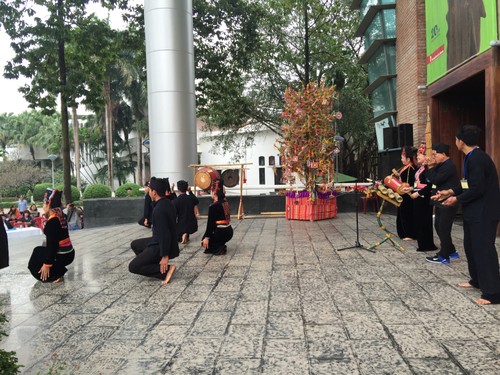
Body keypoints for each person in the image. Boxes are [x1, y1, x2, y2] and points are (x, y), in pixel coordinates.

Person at [436, 125, 500, 305]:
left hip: (485, 211)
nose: (455, 142)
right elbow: (467, 184)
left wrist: (455, 199)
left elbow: (477, 189)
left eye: (456, 139)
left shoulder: (477, 159)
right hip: (474, 211)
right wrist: (449, 191)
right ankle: (477, 280)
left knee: (483, 250)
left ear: (461, 141)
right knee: (471, 246)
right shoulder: (471, 157)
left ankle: (493, 293)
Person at [129, 177, 179, 285]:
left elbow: (164, 233)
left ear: (154, 192)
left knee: (133, 267)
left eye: (150, 190)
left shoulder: (159, 209)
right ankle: (155, 265)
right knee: (135, 244)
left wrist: (165, 256)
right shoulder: (167, 203)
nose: (149, 192)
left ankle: (165, 271)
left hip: (159, 244)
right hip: (159, 241)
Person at [425, 143, 462, 264]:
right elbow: (428, 178)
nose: (434, 157)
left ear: (444, 154)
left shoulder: (449, 166)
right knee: (439, 226)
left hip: (448, 201)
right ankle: (451, 250)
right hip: (440, 201)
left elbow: (436, 179)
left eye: (435, 155)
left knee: (443, 228)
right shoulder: (440, 165)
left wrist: (430, 167)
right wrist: (427, 166)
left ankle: (444, 256)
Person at [27, 189, 75, 283]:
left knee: (34, 263)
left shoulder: (52, 221)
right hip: (69, 253)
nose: (43, 205)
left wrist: (47, 264)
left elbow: (53, 245)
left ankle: (56, 274)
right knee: (38, 251)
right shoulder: (61, 216)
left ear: (49, 204)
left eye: (44, 203)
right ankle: (57, 269)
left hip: (63, 255)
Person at [402, 143, 438, 252]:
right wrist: (410, 189)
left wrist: (417, 193)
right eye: (417, 155)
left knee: (424, 221)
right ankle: (422, 244)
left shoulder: (428, 169)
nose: (417, 157)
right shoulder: (420, 168)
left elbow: (429, 185)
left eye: (420, 155)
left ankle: (427, 244)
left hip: (424, 197)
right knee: (418, 221)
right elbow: (417, 184)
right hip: (417, 197)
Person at [201, 185, 233, 255]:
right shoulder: (225, 202)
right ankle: (220, 244)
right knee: (207, 241)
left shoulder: (213, 206)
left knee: (204, 242)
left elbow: (210, 224)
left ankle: (220, 248)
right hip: (229, 232)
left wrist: (206, 237)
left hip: (221, 232)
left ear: (214, 193)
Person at [395, 146, 416, 240]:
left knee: (407, 213)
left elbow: (413, 182)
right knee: (402, 213)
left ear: (408, 159)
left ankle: (409, 233)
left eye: (402, 158)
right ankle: (404, 233)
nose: (401, 160)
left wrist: (407, 185)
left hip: (408, 195)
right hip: (403, 194)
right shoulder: (405, 167)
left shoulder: (411, 169)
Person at [173, 180, 199, 244]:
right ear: (187, 188)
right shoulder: (191, 198)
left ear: (178, 190)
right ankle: (186, 234)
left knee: (177, 237)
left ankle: (183, 234)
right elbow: (196, 201)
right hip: (191, 225)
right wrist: (190, 192)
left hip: (181, 225)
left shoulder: (176, 201)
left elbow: (174, 214)